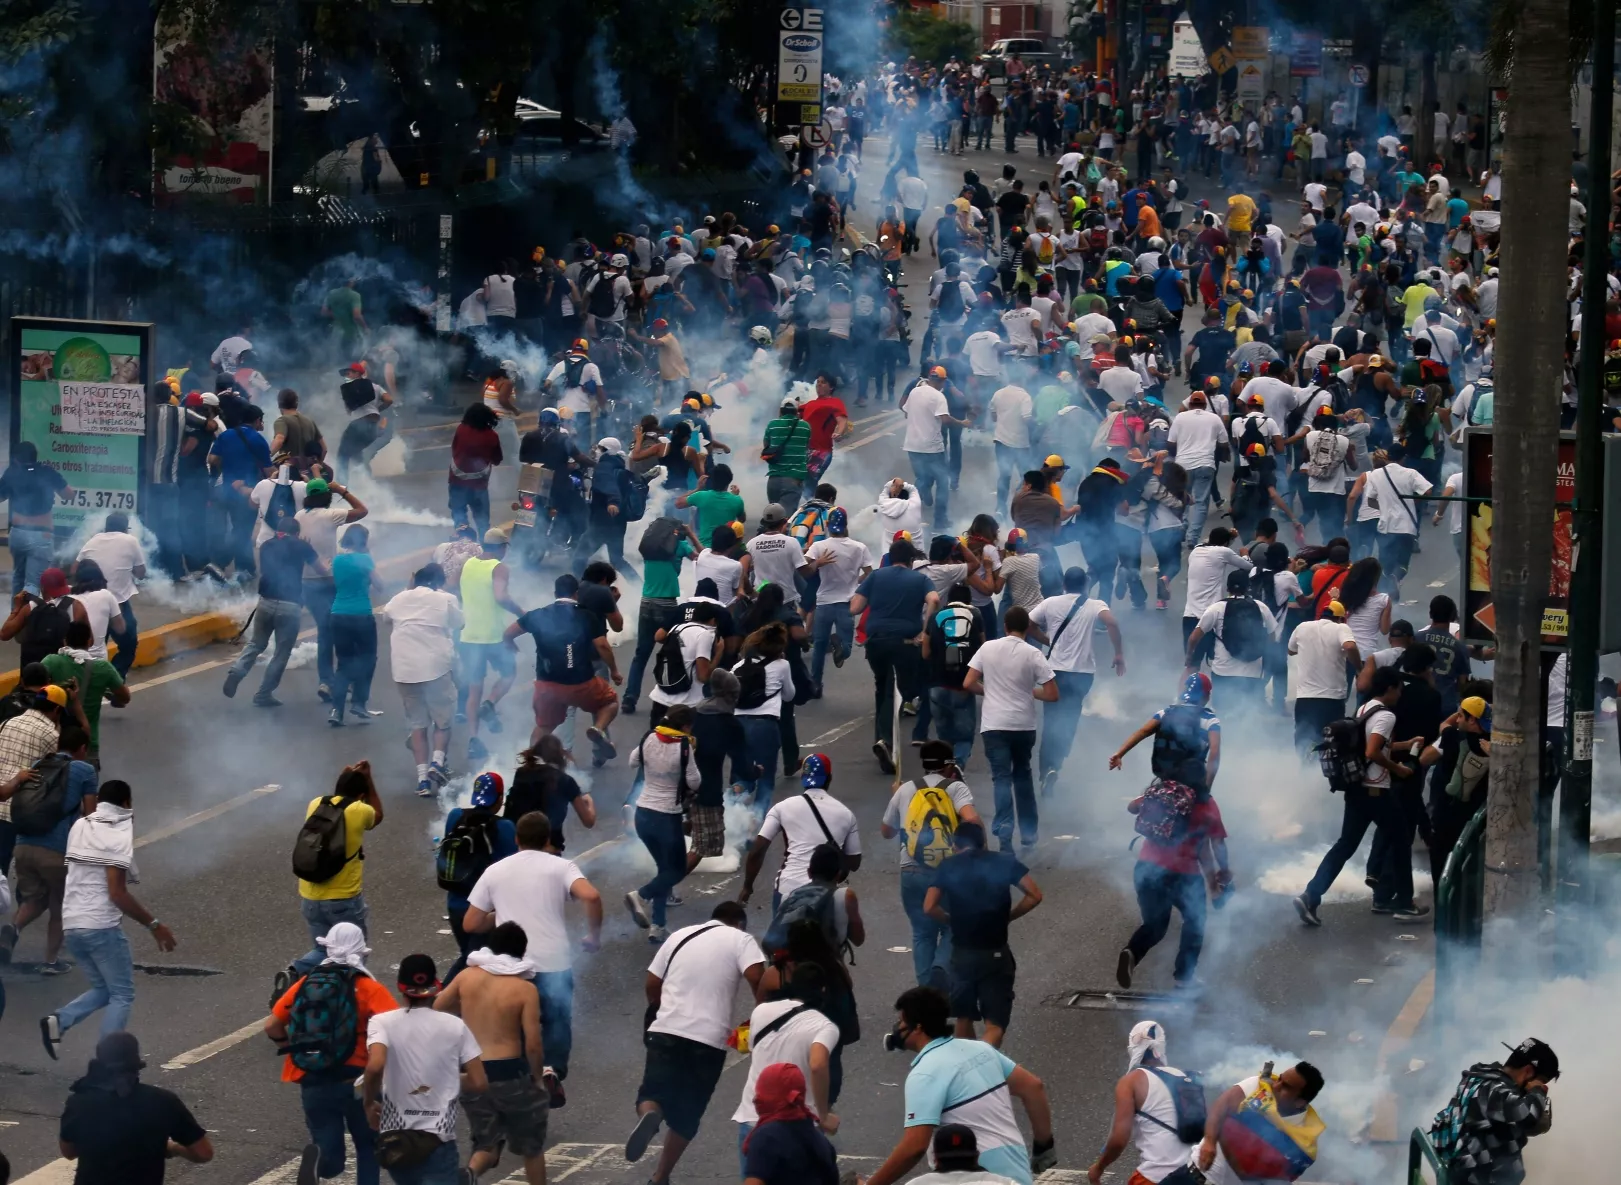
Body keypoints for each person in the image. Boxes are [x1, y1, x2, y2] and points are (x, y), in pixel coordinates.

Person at [626, 900, 767, 1185]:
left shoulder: (680, 935)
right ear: (739, 923)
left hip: (666, 1029)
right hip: (708, 1040)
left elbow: (652, 983)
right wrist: (762, 1012)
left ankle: (650, 1114)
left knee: (651, 1091)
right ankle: (661, 1176)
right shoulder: (741, 939)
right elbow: (757, 977)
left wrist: (664, 1008)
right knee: (688, 1114)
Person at [463, 811, 603, 1097]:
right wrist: (594, 935)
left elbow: (471, 922)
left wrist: (497, 914)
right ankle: (551, 1069)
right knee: (557, 1018)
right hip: (554, 961)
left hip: (510, 965)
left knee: (515, 1024)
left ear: (516, 839)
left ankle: (518, 1078)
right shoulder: (562, 867)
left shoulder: (496, 870)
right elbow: (591, 896)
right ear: (547, 840)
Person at [40, 780, 177, 1059]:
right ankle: (109, 1060)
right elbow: (117, 893)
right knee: (122, 995)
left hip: (73, 923)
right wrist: (154, 925)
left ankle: (60, 1021)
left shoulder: (81, 825)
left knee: (104, 989)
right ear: (126, 803)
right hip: (100, 926)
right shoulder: (116, 835)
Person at [862, 986, 1054, 1185]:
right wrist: (1043, 1146)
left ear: (918, 1027)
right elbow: (1033, 1087)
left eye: (902, 1021)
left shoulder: (925, 1072)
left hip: (973, 1175)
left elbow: (915, 1146)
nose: (897, 1027)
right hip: (1017, 1171)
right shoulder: (981, 1050)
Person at [265, 921, 395, 1185]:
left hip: (313, 1079)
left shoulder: (306, 983)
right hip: (357, 1081)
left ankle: (318, 1164)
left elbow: (272, 1024)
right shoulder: (369, 988)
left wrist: (289, 1049)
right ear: (362, 950)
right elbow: (396, 1028)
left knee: (329, 1155)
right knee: (369, 1147)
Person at [1294, 667, 1426, 926]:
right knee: (1400, 840)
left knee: (1346, 844)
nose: (1400, 694)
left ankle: (1311, 895)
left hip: (1357, 789)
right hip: (1376, 790)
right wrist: (1399, 768)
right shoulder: (1386, 716)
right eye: (1398, 689)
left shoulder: (1365, 709)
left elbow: (1372, 743)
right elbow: (1372, 751)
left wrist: (1405, 743)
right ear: (1389, 689)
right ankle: (1403, 902)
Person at [432, 922, 550, 1185]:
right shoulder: (524, 989)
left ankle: (470, 1174)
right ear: (520, 952)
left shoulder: (466, 977)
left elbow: (437, 1009)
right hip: (510, 1073)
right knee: (531, 1146)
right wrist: (538, 1078)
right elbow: (533, 1043)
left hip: (471, 1073)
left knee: (487, 1143)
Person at [363, 954, 488, 1185]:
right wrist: (446, 1077)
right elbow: (479, 1082)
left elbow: (375, 1065)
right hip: (438, 1140)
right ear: (435, 987)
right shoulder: (455, 1026)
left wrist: (369, 1103)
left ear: (401, 987)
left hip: (395, 1140)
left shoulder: (381, 1022)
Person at [923, 821, 1041, 1047]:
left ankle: (967, 1069)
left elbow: (929, 907)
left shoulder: (949, 865)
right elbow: (1034, 894)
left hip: (962, 953)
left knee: (963, 1016)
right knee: (995, 1023)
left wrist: (951, 920)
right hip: (995, 952)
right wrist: (1009, 916)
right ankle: (985, 1064)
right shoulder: (1003, 861)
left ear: (956, 845)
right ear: (983, 842)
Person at [278, 763, 384, 997]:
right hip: (343, 899)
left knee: (323, 949)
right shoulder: (359, 810)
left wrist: (346, 776)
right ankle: (350, 1000)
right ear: (361, 795)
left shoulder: (316, 803)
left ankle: (296, 972)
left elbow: (337, 800)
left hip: (310, 895)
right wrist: (368, 779)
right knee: (354, 954)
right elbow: (378, 815)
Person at [882, 741, 981, 991]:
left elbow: (887, 831)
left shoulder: (905, 789)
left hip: (912, 871)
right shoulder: (956, 788)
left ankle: (926, 992)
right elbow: (972, 820)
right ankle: (941, 969)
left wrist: (896, 796)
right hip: (949, 873)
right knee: (953, 927)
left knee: (922, 933)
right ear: (948, 766)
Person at [1, 724, 96, 973]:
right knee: (59, 905)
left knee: (34, 899)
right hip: (56, 850)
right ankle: (51, 962)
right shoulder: (85, 770)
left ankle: (12, 928)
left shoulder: (36, 766)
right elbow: (91, 816)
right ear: (82, 748)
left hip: (23, 846)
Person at [58, 1031, 213, 1182]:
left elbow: (69, 1152)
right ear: (136, 1063)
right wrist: (173, 1148)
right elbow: (203, 1153)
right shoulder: (163, 1101)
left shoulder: (79, 1102)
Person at [962, 608, 1058, 852]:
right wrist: (1028, 692)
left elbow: (968, 682)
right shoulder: (1034, 654)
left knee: (1001, 780)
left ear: (1005, 626)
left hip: (994, 725)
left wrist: (991, 691)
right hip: (1023, 725)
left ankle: (1004, 836)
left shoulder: (988, 648)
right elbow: (1052, 693)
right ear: (1027, 628)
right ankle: (1028, 834)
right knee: (1023, 777)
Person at [733, 960, 844, 1166]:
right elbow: (818, 1065)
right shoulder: (824, 1026)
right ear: (823, 990)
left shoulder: (761, 1011)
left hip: (752, 1119)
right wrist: (823, 1115)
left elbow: (751, 1048)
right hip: (796, 1126)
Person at [1030, 568, 1123, 795]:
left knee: (1051, 720)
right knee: (1069, 719)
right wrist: (1118, 654)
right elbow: (1112, 623)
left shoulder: (1050, 603)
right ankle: (1057, 763)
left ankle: (1046, 771)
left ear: (1064, 584)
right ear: (1085, 585)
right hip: (1082, 674)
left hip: (1053, 672)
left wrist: (1045, 639)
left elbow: (1027, 622)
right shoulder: (1094, 604)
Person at [509, 573, 620, 763]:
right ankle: (598, 729)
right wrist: (614, 671)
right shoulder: (586, 615)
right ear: (576, 594)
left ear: (554, 593)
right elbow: (602, 645)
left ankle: (530, 763)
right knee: (610, 703)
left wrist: (513, 649)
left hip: (547, 686)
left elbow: (507, 634)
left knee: (544, 726)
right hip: (581, 684)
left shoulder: (538, 614)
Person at [850, 536, 933, 774]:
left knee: (883, 685)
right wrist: (925, 631)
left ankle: (881, 739)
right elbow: (934, 599)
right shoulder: (920, 579)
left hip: (875, 642)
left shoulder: (876, 576)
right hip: (904, 643)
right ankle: (885, 740)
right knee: (898, 690)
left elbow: (855, 607)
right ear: (910, 560)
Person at [1088, 1021, 1206, 1185]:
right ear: (1162, 1046)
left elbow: (1119, 1140)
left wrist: (1098, 1168)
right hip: (1192, 1176)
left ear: (1133, 1047)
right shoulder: (1185, 1078)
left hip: (1154, 1178)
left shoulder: (1131, 1081)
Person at [741, 752, 861, 910]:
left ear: (804, 778)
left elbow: (757, 850)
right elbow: (854, 862)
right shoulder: (846, 814)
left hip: (787, 891)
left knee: (780, 934)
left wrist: (747, 887)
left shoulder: (782, 808)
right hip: (825, 894)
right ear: (829, 778)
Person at [1430, 1037, 1557, 1185]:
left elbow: (1498, 1122)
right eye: (1540, 1082)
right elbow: (1528, 1115)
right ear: (1528, 1071)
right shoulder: (1492, 1089)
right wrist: (1538, 1091)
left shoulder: (1479, 1078)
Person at [384, 564, 463, 795]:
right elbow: (460, 623)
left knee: (417, 724)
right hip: (435, 668)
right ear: (439, 582)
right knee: (443, 720)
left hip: (404, 670)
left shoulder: (399, 599)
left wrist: (408, 591)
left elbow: (386, 618)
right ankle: (437, 763)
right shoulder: (445, 599)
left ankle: (422, 781)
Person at [223, 517, 317, 708]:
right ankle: (263, 694)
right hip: (290, 606)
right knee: (281, 653)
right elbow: (319, 569)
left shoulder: (266, 545)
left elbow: (268, 567)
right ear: (297, 533)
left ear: (279, 531)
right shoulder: (302, 546)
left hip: (265, 602)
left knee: (256, 643)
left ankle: (237, 671)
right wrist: (305, 550)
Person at [626, 704, 699, 941]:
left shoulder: (649, 737)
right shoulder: (684, 747)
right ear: (685, 726)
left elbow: (632, 761)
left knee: (664, 871)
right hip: (666, 817)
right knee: (676, 870)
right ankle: (641, 895)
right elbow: (694, 782)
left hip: (643, 814)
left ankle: (657, 926)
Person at [441, 773, 519, 982]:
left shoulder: (455, 816)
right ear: (500, 798)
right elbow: (512, 868)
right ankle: (438, 1002)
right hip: (483, 911)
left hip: (455, 904)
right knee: (474, 961)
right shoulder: (505, 827)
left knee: (470, 956)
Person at [1198, 1063, 1326, 1185]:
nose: (1275, 1086)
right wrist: (1209, 1142)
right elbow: (1221, 1106)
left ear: (1300, 1102)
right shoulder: (1257, 1086)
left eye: (1286, 1087)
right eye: (1279, 1079)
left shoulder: (1303, 1139)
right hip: (1196, 1176)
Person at [459, 528, 525, 763]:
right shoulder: (499, 567)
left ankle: (474, 739)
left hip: (468, 636)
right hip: (493, 636)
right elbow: (500, 596)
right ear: (501, 547)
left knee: (474, 688)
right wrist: (522, 614)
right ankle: (490, 704)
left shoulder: (468, 564)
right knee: (509, 674)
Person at [805, 507, 873, 693]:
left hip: (824, 603)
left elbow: (804, 569)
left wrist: (818, 563)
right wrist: (856, 582)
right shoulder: (859, 548)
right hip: (847, 603)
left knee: (819, 647)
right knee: (847, 649)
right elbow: (869, 573)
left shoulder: (819, 547)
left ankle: (816, 684)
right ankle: (837, 642)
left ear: (828, 525)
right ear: (846, 525)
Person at [74, 513, 146, 680]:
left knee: (95, 645)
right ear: (125, 529)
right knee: (128, 644)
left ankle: (91, 681)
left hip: (89, 600)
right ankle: (114, 678)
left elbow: (74, 569)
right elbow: (141, 573)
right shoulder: (131, 541)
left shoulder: (94, 539)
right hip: (117, 601)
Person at [1288, 599, 1360, 755]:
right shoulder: (1341, 628)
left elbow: (1291, 650)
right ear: (1340, 618)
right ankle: (1325, 776)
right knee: (1331, 743)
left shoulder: (1302, 627)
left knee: (1304, 741)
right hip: (1331, 699)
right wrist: (1359, 668)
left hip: (1305, 699)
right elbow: (1350, 646)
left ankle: (1303, 772)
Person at [328, 523, 383, 726]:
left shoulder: (337, 560)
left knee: (343, 663)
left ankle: (336, 710)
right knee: (368, 658)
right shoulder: (365, 560)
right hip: (361, 614)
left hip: (338, 614)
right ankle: (359, 702)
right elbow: (380, 585)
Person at [0, 442, 71, 596]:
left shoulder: (12, 473)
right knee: (33, 583)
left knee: (18, 578)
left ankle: (16, 616)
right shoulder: (47, 472)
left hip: (17, 534)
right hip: (41, 535)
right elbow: (68, 494)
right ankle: (27, 618)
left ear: (17, 459)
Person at [506, 735, 595, 855]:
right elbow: (588, 821)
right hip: (550, 849)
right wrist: (589, 801)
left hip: (521, 847)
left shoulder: (521, 773)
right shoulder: (566, 781)